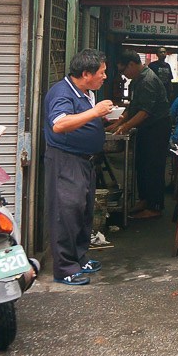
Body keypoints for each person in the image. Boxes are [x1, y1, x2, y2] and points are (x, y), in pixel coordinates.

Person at [43, 48, 114, 286]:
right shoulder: (62, 92)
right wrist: (95, 112)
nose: (105, 76)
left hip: (84, 160)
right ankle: (64, 269)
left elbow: (79, 118)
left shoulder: (85, 91)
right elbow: (59, 123)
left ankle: (80, 258)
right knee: (66, 213)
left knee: (83, 212)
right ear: (86, 73)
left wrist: (99, 118)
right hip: (66, 161)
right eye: (102, 73)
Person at [106, 50, 171, 220]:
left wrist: (125, 127)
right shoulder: (137, 80)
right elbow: (134, 106)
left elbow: (144, 112)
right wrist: (118, 123)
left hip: (156, 128)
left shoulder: (148, 81)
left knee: (153, 167)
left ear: (132, 65)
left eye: (123, 70)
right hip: (146, 128)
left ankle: (154, 206)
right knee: (142, 165)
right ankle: (144, 200)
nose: (123, 75)